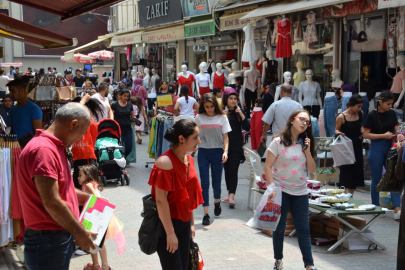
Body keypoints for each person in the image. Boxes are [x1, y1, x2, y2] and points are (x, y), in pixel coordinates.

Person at [18, 103, 98, 270]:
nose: (82, 138)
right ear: (73, 124)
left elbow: (62, 189)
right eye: (82, 132)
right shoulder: (44, 151)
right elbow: (52, 201)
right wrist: (80, 233)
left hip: (52, 239)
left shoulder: (52, 147)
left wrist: (88, 198)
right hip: (49, 240)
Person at [148, 119, 204, 269]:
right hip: (167, 225)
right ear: (181, 139)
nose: (198, 141)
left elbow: (188, 195)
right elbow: (161, 201)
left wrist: (191, 223)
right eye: (195, 137)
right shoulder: (165, 162)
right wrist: (170, 233)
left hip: (184, 225)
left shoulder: (190, 159)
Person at [265, 110, 317, 270]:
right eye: (301, 119)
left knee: (303, 229)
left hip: (300, 191)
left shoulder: (306, 143)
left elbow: (312, 169)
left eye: (307, 122)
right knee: (279, 229)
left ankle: (309, 265)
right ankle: (278, 260)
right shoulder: (278, 142)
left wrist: (308, 153)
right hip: (281, 190)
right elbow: (267, 166)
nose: (304, 123)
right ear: (292, 120)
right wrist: (271, 186)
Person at [364, 91, 402, 220]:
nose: (390, 106)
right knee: (376, 178)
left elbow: (396, 128)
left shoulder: (391, 113)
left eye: (391, 103)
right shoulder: (371, 115)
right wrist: (383, 135)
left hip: (390, 145)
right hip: (376, 146)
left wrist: (399, 134)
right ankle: (375, 206)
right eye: (388, 104)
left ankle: (397, 208)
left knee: (393, 177)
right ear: (380, 103)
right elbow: (366, 135)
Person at [195, 93, 231, 225]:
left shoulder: (222, 117)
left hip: (218, 151)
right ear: (203, 106)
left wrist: (226, 151)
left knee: (216, 181)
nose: (209, 109)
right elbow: (194, 134)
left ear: (215, 105)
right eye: (206, 106)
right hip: (203, 151)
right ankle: (206, 214)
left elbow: (226, 137)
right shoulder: (198, 118)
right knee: (204, 183)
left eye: (211, 106)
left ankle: (217, 201)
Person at [78, 165, 113, 270]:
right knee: (100, 241)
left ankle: (96, 265)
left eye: (80, 175)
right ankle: (105, 265)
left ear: (87, 176)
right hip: (100, 215)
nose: (78, 178)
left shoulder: (87, 185)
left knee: (92, 241)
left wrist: (103, 198)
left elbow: (95, 198)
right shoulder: (93, 184)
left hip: (93, 216)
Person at [221, 88, 250, 208]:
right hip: (224, 146)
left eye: (235, 99)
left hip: (236, 146)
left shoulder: (239, 112)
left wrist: (242, 114)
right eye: (230, 98)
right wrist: (222, 115)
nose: (233, 101)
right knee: (227, 170)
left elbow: (247, 127)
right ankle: (229, 194)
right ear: (226, 99)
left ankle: (232, 196)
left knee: (233, 170)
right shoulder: (222, 112)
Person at [335, 94, 365, 194]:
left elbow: (360, 126)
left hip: (357, 145)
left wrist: (363, 133)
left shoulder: (360, 113)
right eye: (358, 106)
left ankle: (350, 199)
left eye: (361, 106)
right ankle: (347, 199)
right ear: (351, 105)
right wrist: (340, 133)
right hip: (346, 147)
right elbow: (336, 130)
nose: (360, 108)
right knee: (346, 173)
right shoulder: (341, 116)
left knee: (355, 173)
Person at [111, 89, 135, 158]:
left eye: (127, 96)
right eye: (125, 96)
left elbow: (132, 115)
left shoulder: (130, 104)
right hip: (118, 128)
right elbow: (111, 115)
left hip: (128, 129)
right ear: (120, 96)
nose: (126, 98)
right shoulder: (115, 104)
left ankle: (123, 157)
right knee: (119, 146)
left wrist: (134, 119)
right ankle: (120, 159)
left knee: (129, 147)